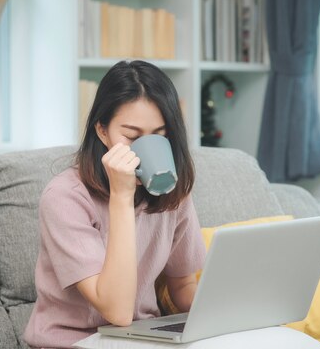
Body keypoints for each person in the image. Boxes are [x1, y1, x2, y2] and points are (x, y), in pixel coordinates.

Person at [24, 60, 206, 348]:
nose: (146, 148)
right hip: (72, 341)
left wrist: (237, 314)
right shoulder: (65, 197)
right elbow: (118, 311)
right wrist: (121, 198)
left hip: (141, 339)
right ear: (102, 130)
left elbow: (182, 287)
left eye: (160, 135)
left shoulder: (174, 194)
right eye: (132, 136)